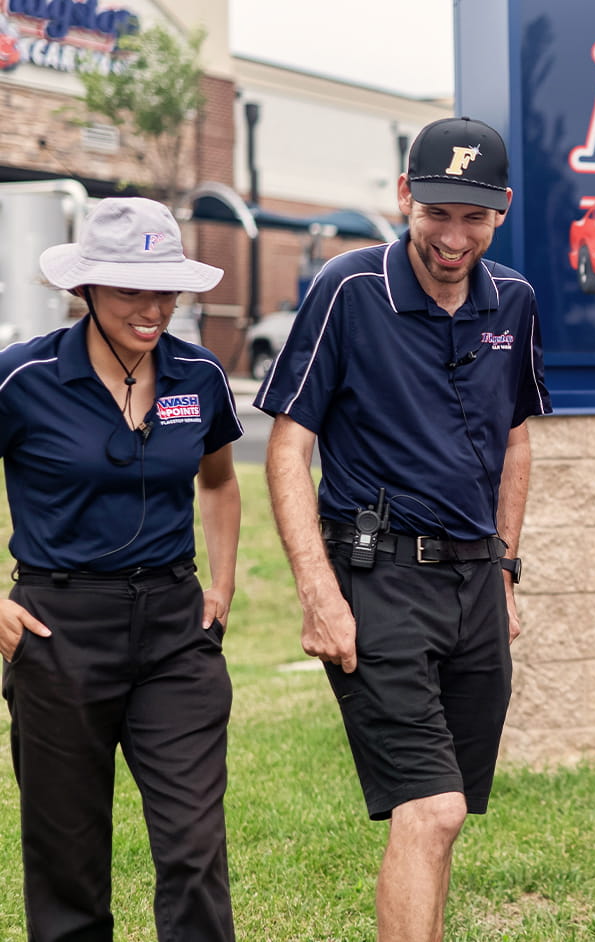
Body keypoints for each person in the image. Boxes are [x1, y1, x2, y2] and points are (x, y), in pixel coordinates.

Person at [256, 115, 551, 942]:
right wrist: (318, 592)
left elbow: (517, 436)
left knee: (443, 814)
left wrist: (505, 568)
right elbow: (288, 446)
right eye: (437, 211)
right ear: (404, 198)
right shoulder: (349, 288)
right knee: (432, 807)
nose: (454, 234)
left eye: (474, 214)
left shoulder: (516, 301)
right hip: (377, 576)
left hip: (473, 585)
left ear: (501, 212)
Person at [0, 197, 242, 941]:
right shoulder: (23, 377)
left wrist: (222, 588)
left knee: (194, 849)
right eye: (133, 289)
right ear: (87, 289)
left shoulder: (198, 374)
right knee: (67, 860)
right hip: (58, 630)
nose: (154, 307)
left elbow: (220, 481)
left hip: (173, 630)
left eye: (166, 287)